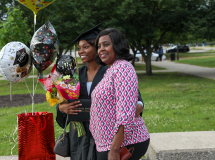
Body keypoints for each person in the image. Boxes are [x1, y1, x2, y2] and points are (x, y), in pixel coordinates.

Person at [56, 23, 144, 160]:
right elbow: (63, 100)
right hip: (79, 135)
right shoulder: (74, 75)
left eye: (86, 47)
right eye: (79, 48)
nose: (81, 52)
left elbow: (133, 97)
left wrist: (138, 106)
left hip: (107, 135)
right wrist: (61, 107)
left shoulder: (111, 71)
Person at [90, 28, 150, 160]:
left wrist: (114, 150)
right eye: (99, 46)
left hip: (124, 144)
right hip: (107, 144)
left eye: (106, 44)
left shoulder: (123, 68)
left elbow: (125, 115)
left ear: (117, 45)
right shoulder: (111, 70)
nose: (101, 49)